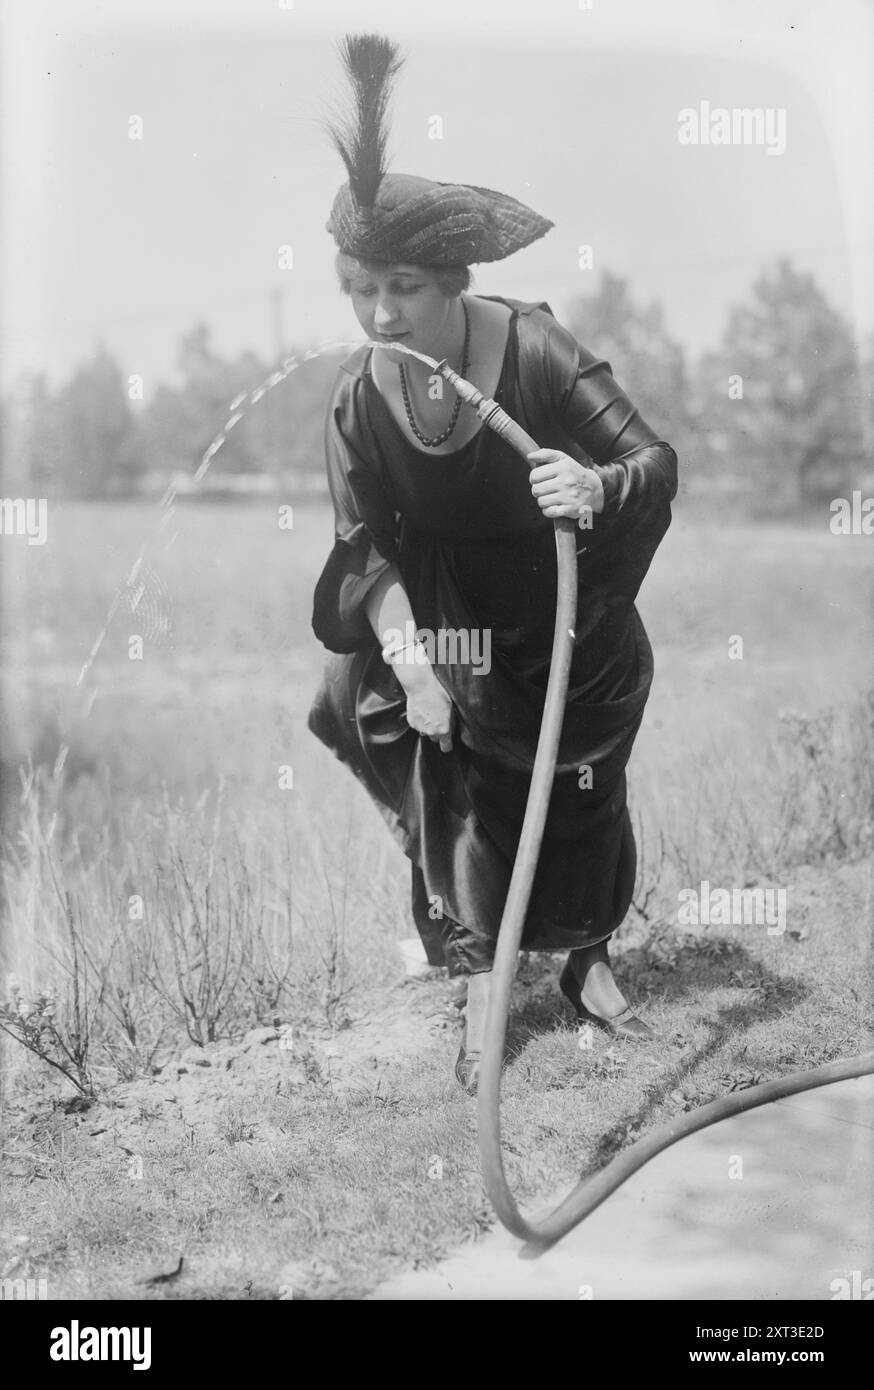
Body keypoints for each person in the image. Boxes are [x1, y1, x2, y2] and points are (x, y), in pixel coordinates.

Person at [308, 34, 678, 1092]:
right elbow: (361, 539)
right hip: (444, 623)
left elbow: (653, 458)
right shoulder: (355, 392)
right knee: (454, 789)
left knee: (583, 788)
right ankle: (481, 977)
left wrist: (595, 486)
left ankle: (588, 964)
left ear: (459, 282)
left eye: (407, 289)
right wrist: (412, 660)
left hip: (565, 613)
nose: (383, 315)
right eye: (360, 288)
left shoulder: (535, 351)